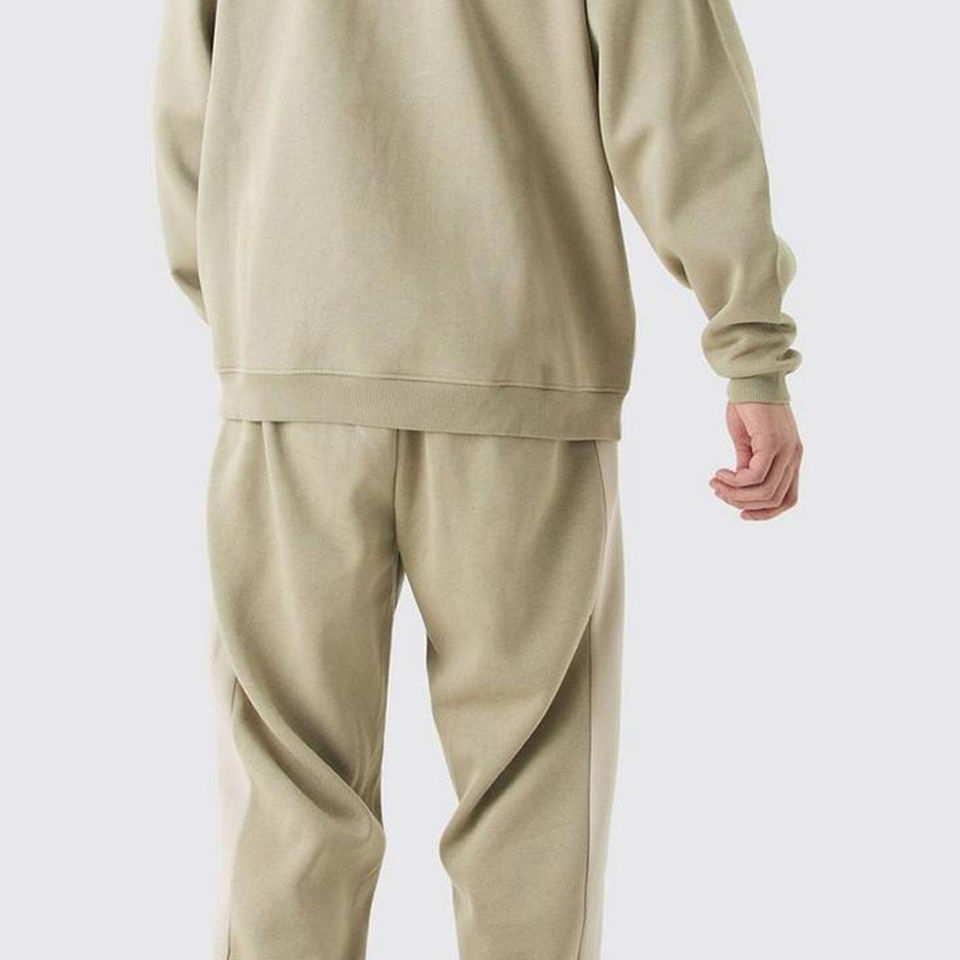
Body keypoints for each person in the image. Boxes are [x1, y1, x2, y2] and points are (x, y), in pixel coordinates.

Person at [153, 0, 803, 957]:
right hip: (521, 377)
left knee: (291, 801)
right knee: (529, 802)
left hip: (296, 393)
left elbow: (188, 111)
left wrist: (271, 322)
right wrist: (750, 351)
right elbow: (677, 94)